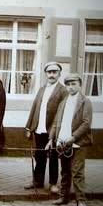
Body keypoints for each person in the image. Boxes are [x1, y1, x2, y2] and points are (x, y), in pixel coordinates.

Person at [45, 73, 93, 206]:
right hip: (62, 142)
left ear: (79, 85)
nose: (71, 87)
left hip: (78, 143)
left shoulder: (85, 101)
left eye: (74, 84)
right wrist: (51, 139)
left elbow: (86, 123)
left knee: (77, 172)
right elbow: (55, 122)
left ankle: (81, 200)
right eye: (68, 85)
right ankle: (63, 197)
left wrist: (73, 138)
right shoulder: (63, 102)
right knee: (65, 172)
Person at [24, 61, 68, 193]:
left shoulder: (63, 91)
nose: (52, 75)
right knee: (39, 156)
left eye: (55, 72)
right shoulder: (42, 89)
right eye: (49, 72)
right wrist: (29, 127)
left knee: (53, 157)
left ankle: (53, 183)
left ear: (59, 74)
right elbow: (34, 108)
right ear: (46, 74)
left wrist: (55, 132)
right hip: (39, 128)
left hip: (53, 130)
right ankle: (38, 181)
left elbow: (62, 113)